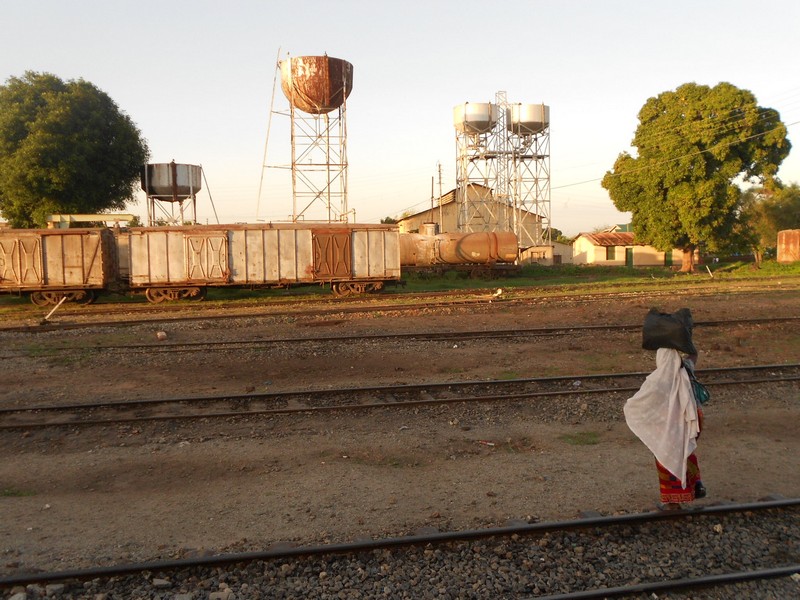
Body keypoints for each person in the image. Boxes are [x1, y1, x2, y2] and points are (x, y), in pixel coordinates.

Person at [624, 347, 705, 510]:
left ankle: (673, 502)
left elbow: (642, 402)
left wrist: (629, 408)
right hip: (690, 423)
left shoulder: (657, 380)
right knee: (686, 454)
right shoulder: (686, 369)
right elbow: (693, 356)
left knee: (667, 460)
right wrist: (687, 344)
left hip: (669, 430)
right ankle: (696, 485)